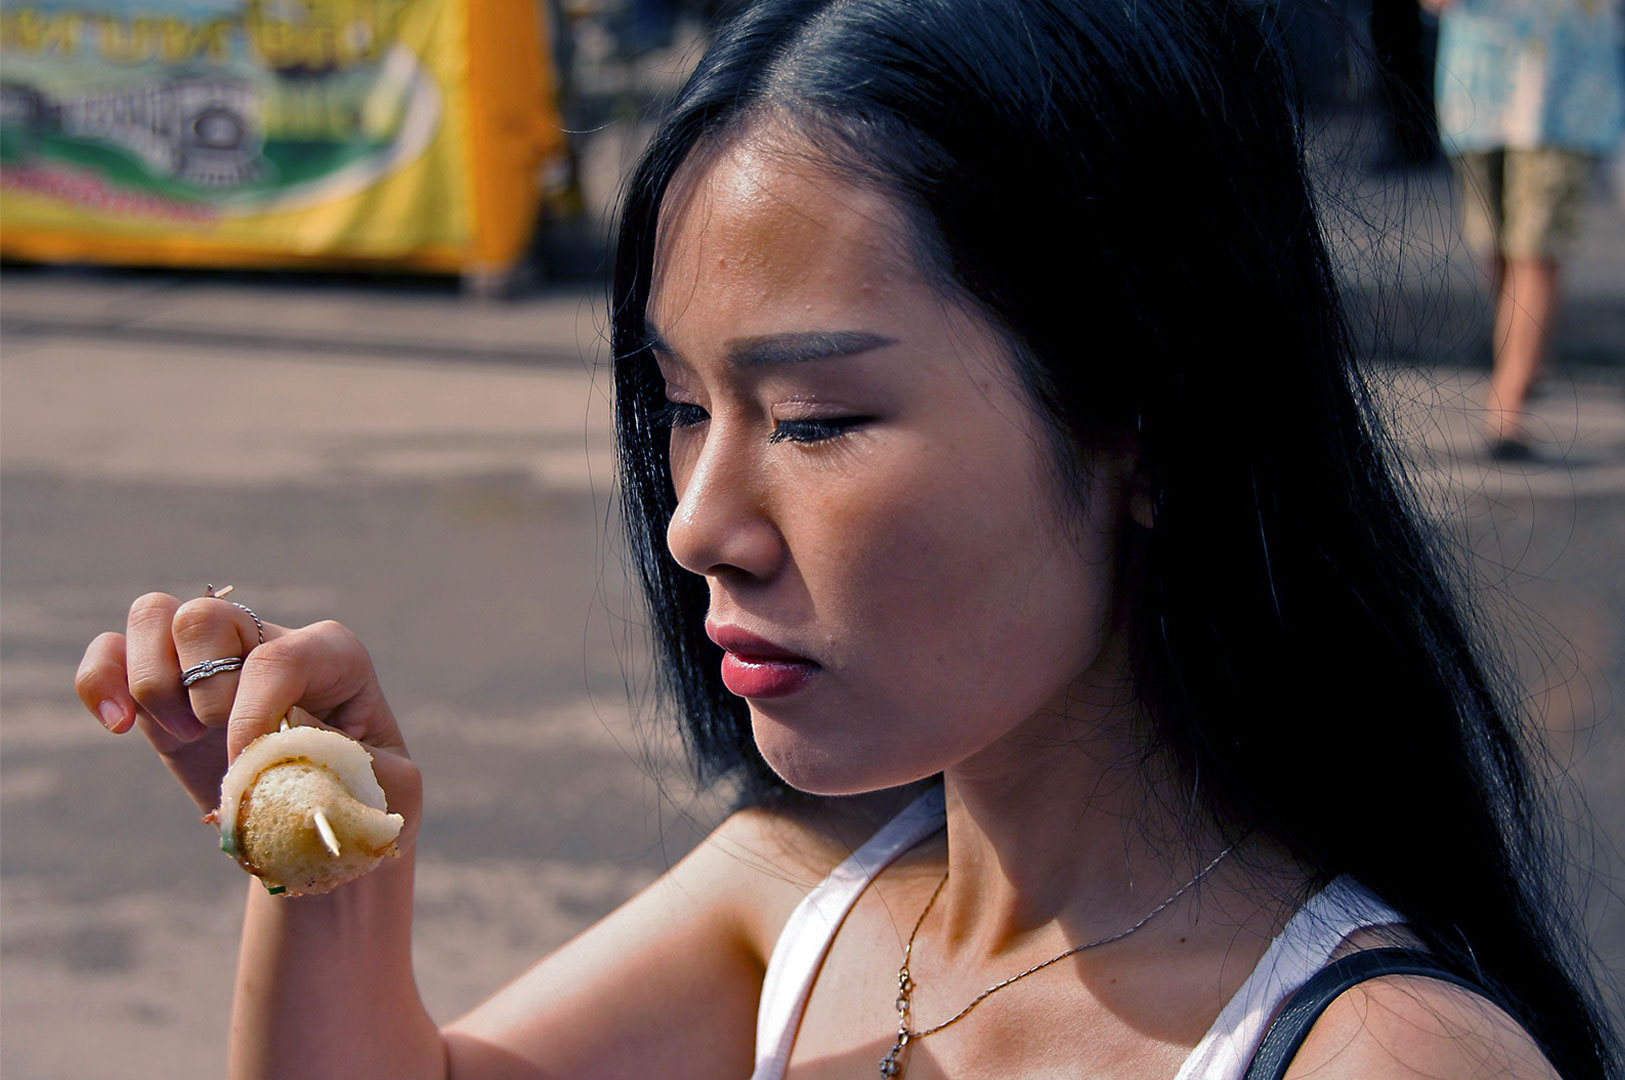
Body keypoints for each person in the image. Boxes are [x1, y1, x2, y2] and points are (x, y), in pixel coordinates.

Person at [75, 1, 1620, 1077]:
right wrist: (328, 884)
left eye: (813, 419)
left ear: (1143, 428)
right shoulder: (792, 909)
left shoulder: (1377, 1057)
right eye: (680, 406)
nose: (697, 523)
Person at [1425, 0, 1625, 459]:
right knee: (1493, 244)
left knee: (1535, 247)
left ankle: (1506, 404)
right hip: (1478, 82)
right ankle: (1525, 360)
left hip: (1566, 84)